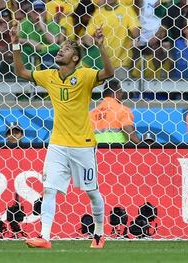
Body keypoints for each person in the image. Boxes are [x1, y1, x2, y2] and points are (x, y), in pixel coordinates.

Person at [10, 18, 114, 249]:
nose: (60, 51)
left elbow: (109, 72)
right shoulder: (49, 76)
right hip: (57, 143)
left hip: (83, 144)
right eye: (61, 48)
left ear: (75, 58)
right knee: (49, 189)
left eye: (66, 49)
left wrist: (100, 45)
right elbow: (21, 71)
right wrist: (16, 44)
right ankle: (45, 237)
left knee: (92, 192)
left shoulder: (86, 75)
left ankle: (98, 232)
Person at [90, 79, 140, 144]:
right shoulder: (122, 110)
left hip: (96, 151)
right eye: (120, 92)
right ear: (115, 94)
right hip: (116, 151)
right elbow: (130, 133)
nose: (122, 94)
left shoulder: (91, 113)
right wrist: (141, 145)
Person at [19, 1, 65, 70]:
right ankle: (25, 72)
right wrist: (29, 41)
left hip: (49, 51)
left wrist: (42, 24)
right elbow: (15, 39)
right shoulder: (25, 22)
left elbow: (54, 41)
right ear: (30, 13)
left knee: (57, 47)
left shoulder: (51, 24)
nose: (38, 14)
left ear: (46, 12)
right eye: (35, 11)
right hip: (31, 50)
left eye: (41, 11)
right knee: (24, 49)